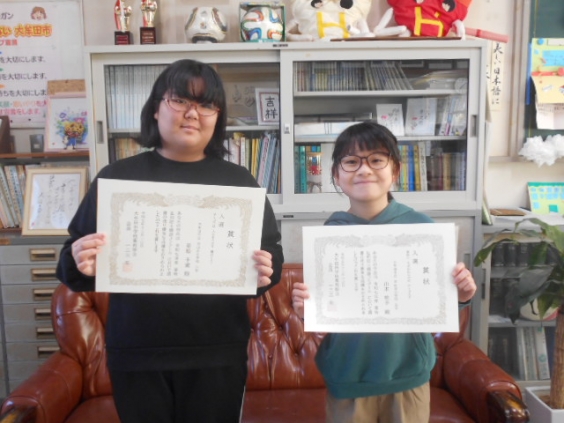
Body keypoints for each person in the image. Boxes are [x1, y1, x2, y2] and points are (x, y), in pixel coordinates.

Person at [56, 58, 284, 423]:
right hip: (137, 353)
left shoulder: (239, 183)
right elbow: (70, 265)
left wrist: (265, 271)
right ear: (156, 108)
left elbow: (271, 256)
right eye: (180, 100)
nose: (193, 113)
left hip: (216, 352)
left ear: (218, 117)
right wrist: (81, 259)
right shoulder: (118, 180)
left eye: (206, 104)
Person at [291, 121, 476, 423]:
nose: (364, 170)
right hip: (348, 375)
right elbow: (327, 309)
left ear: (395, 170)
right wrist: (306, 309)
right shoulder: (330, 234)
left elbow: (437, 306)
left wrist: (461, 295)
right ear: (336, 174)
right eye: (352, 162)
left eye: (376, 159)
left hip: (407, 374)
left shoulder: (423, 229)